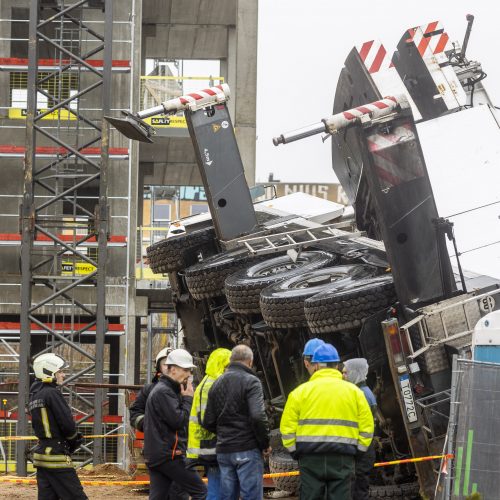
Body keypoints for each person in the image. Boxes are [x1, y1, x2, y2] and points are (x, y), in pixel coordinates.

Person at [280, 343, 374, 500]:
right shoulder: (355, 393)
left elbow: (287, 429)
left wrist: (295, 452)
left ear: (316, 365)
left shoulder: (298, 393)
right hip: (343, 459)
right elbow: (367, 428)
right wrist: (358, 452)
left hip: (309, 459)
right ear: (337, 365)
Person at [203, 344, 271, 500]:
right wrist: (264, 443)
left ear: (231, 360)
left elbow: (207, 421)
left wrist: (224, 432)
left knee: (228, 497)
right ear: (250, 362)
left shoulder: (216, 383)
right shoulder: (251, 381)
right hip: (247, 449)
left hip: (224, 451)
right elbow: (257, 416)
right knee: (251, 496)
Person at [143, 348, 207, 500]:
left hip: (158, 455)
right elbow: (179, 421)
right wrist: (188, 399)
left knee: (159, 497)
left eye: (189, 370)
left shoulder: (164, 390)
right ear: (172, 369)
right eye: (185, 370)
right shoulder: (164, 392)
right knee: (202, 492)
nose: (189, 374)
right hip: (170, 455)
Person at [28, 353, 87, 500]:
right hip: (57, 457)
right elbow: (67, 424)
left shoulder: (35, 396)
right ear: (48, 372)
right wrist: (74, 441)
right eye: (60, 371)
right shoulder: (53, 393)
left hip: (42, 458)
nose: (63, 374)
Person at [187, 347, 231, 500]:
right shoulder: (211, 385)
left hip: (209, 444)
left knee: (217, 486)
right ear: (221, 365)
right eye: (228, 366)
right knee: (216, 488)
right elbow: (208, 420)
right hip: (210, 445)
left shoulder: (209, 382)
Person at [343, 358, 377, 500]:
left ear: (355, 373)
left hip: (361, 454)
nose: (342, 375)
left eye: (345, 372)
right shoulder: (360, 392)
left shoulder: (362, 395)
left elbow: (363, 428)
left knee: (358, 492)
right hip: (360, 452)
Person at [130, 347, 172, 432]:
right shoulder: (148, 390)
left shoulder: (186, 391)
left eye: (173, 364)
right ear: (158, 367)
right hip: (156, 442)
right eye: (165, 364)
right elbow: (135, 414)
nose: (169, 367)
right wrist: (150, 425)